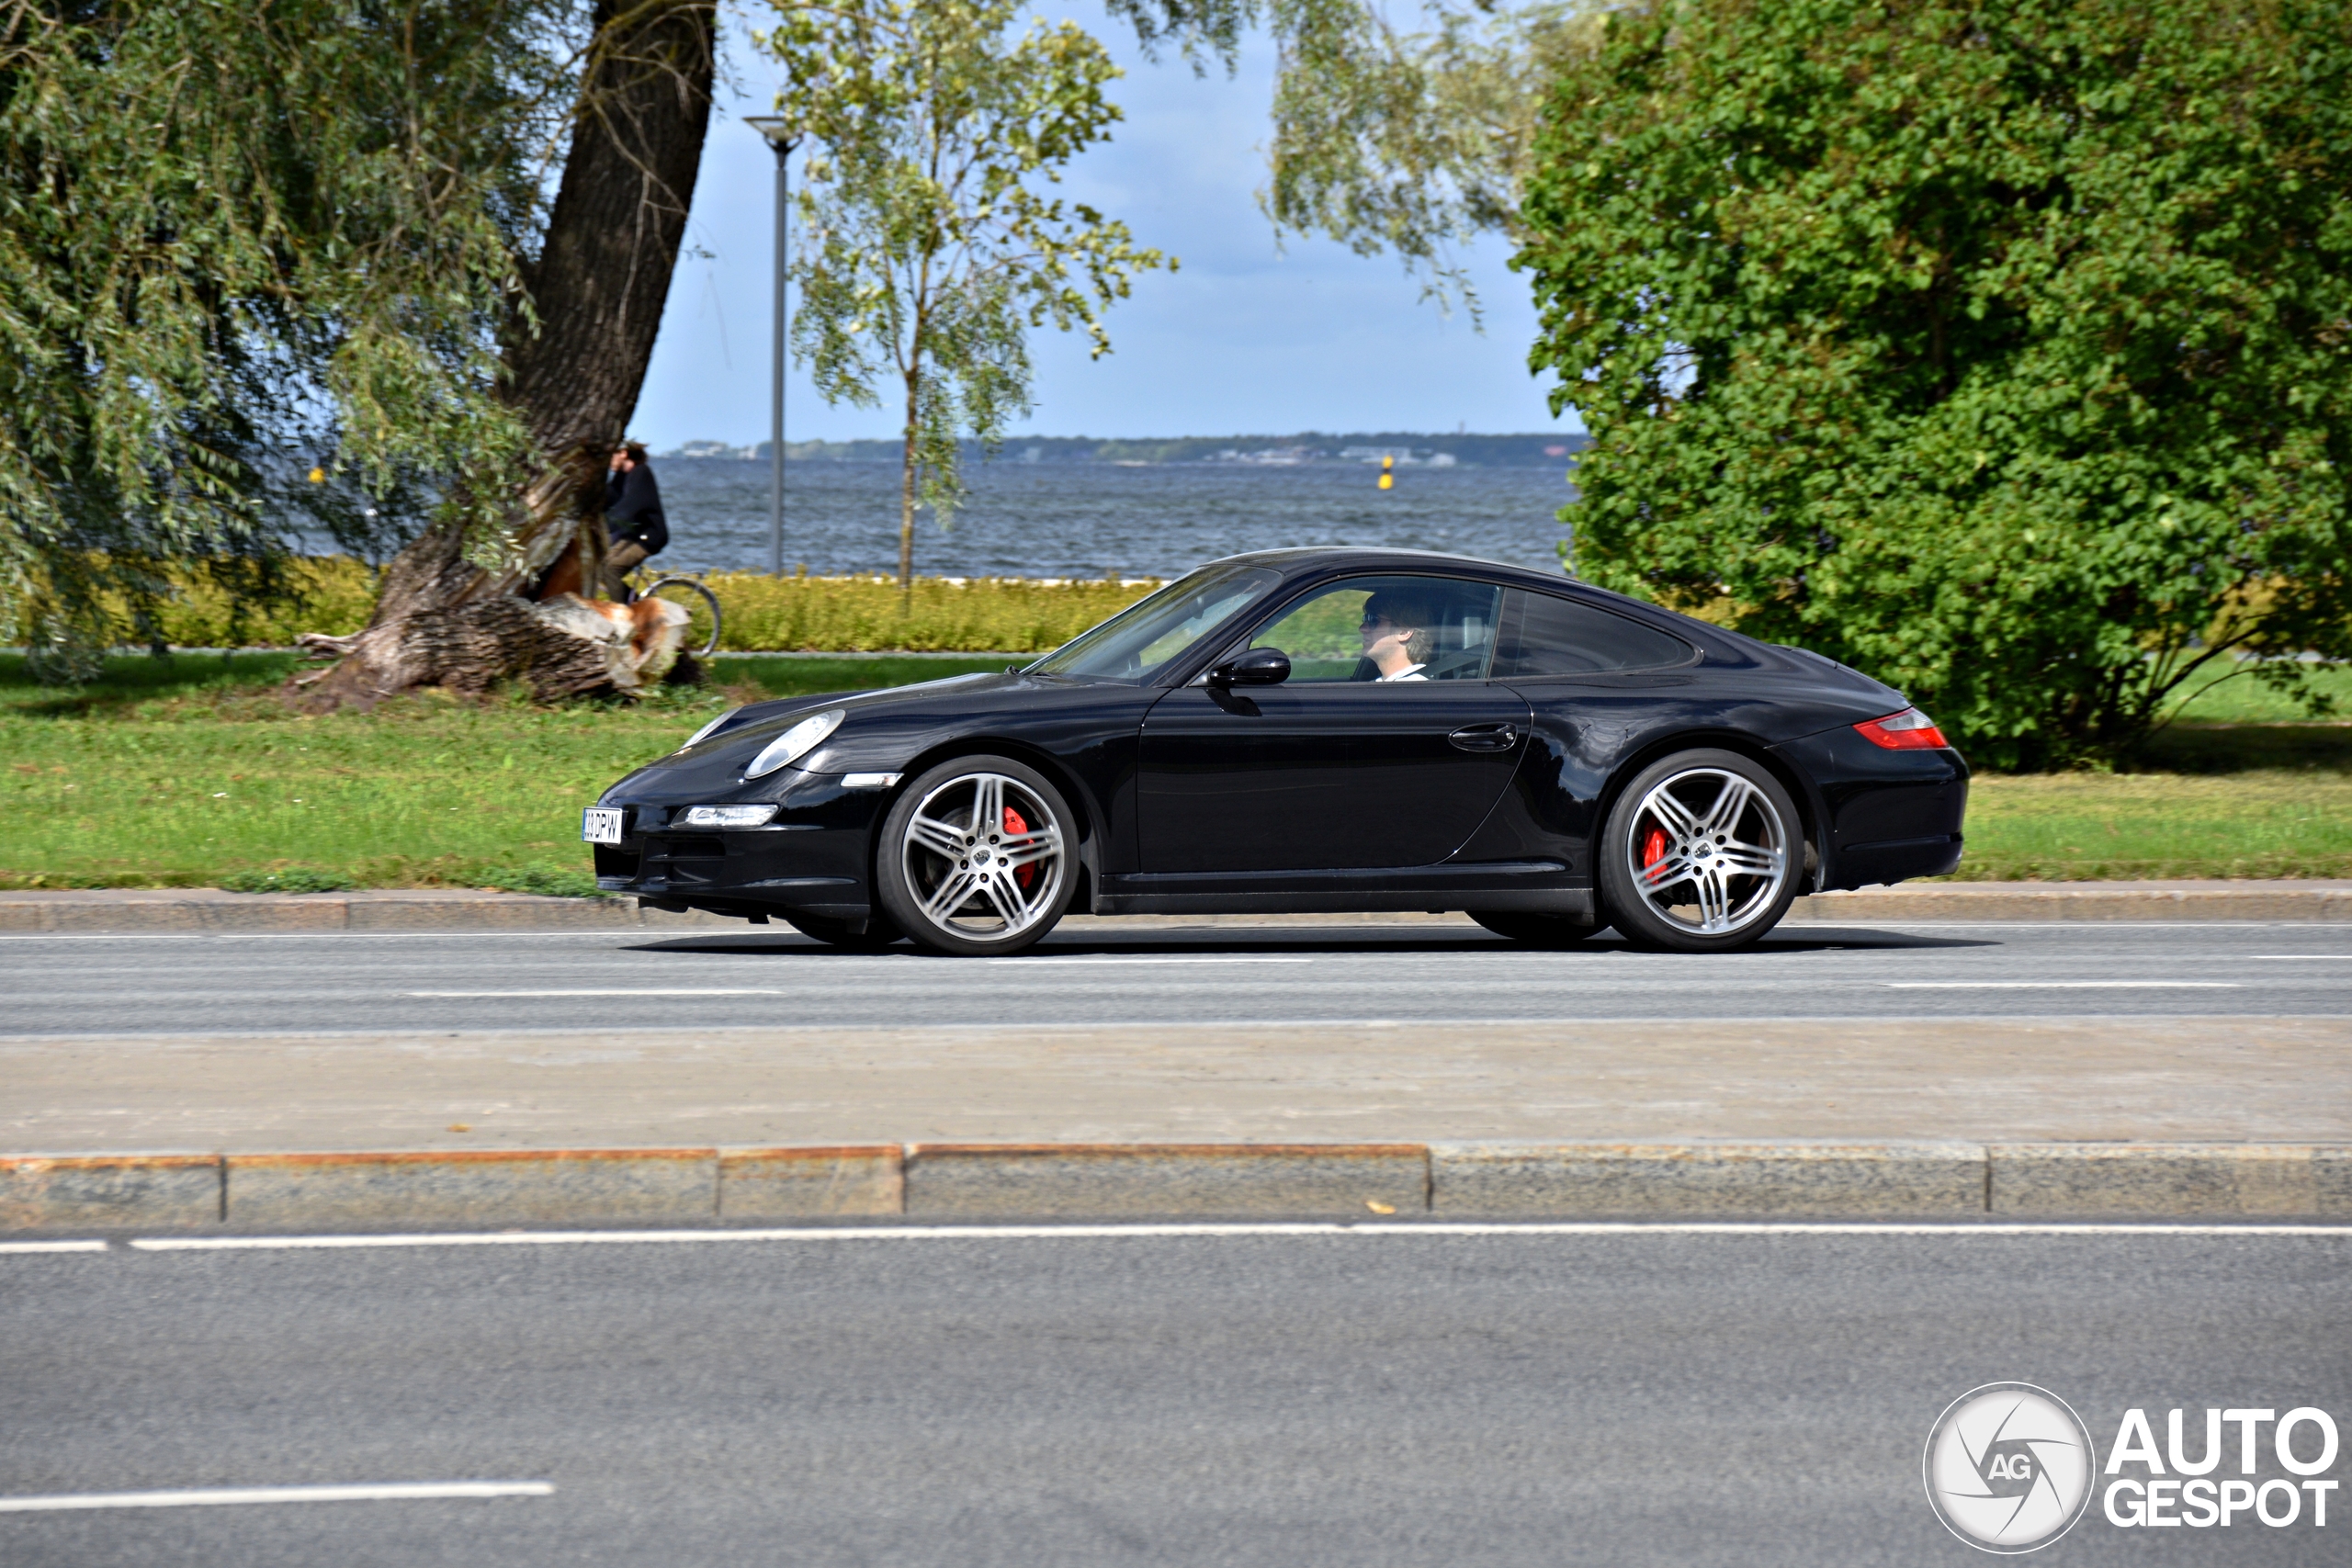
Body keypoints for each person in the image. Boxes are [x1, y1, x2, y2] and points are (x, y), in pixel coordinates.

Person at [602, 440, 668, 600]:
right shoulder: (623, 476)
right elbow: (608, 499)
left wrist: (604, 528)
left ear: (623, 454)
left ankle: (622, 617)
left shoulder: (641, 473)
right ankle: (637, 606)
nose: (609, 460)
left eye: (611, 455)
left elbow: (629, 507)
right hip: (633, 534)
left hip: (650, 536)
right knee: (601, 567)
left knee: (612, 569)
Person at [1358, 590, 1436, 681]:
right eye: (1365, 619)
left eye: (1373, 620)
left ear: (1404, 632)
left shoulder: (1415, 688)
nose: (1362, 628)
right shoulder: (1392, 686)